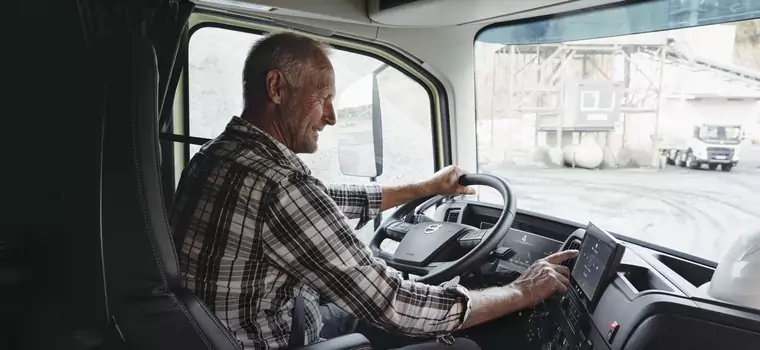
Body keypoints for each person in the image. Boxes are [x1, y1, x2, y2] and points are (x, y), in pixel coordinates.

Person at [170, 32, 577, 350]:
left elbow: (322, 201)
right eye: (324, 98)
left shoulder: (218, 155)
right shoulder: (281, 186)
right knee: (461, 347)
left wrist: (426, 187)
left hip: (235, 331)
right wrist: (521, 291)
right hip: (280, 340)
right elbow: (393, 304)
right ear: (277, 88)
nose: (330, 117)